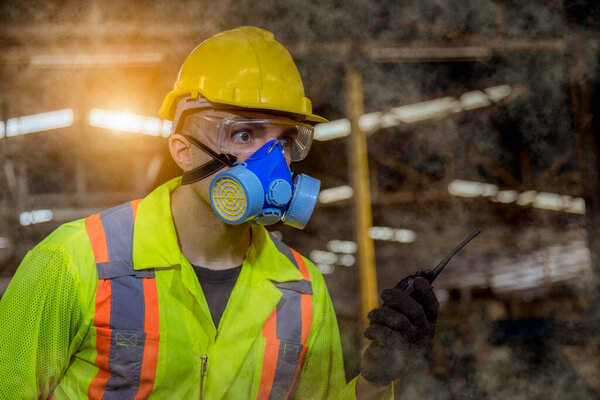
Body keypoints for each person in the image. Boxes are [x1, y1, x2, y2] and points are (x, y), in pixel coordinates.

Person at [0, 26, 439, 399]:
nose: (274, 161)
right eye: (244, 133)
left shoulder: (303, 292)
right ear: (184, 150)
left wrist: (376, 381)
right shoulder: (72, 263)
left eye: (285, 141)